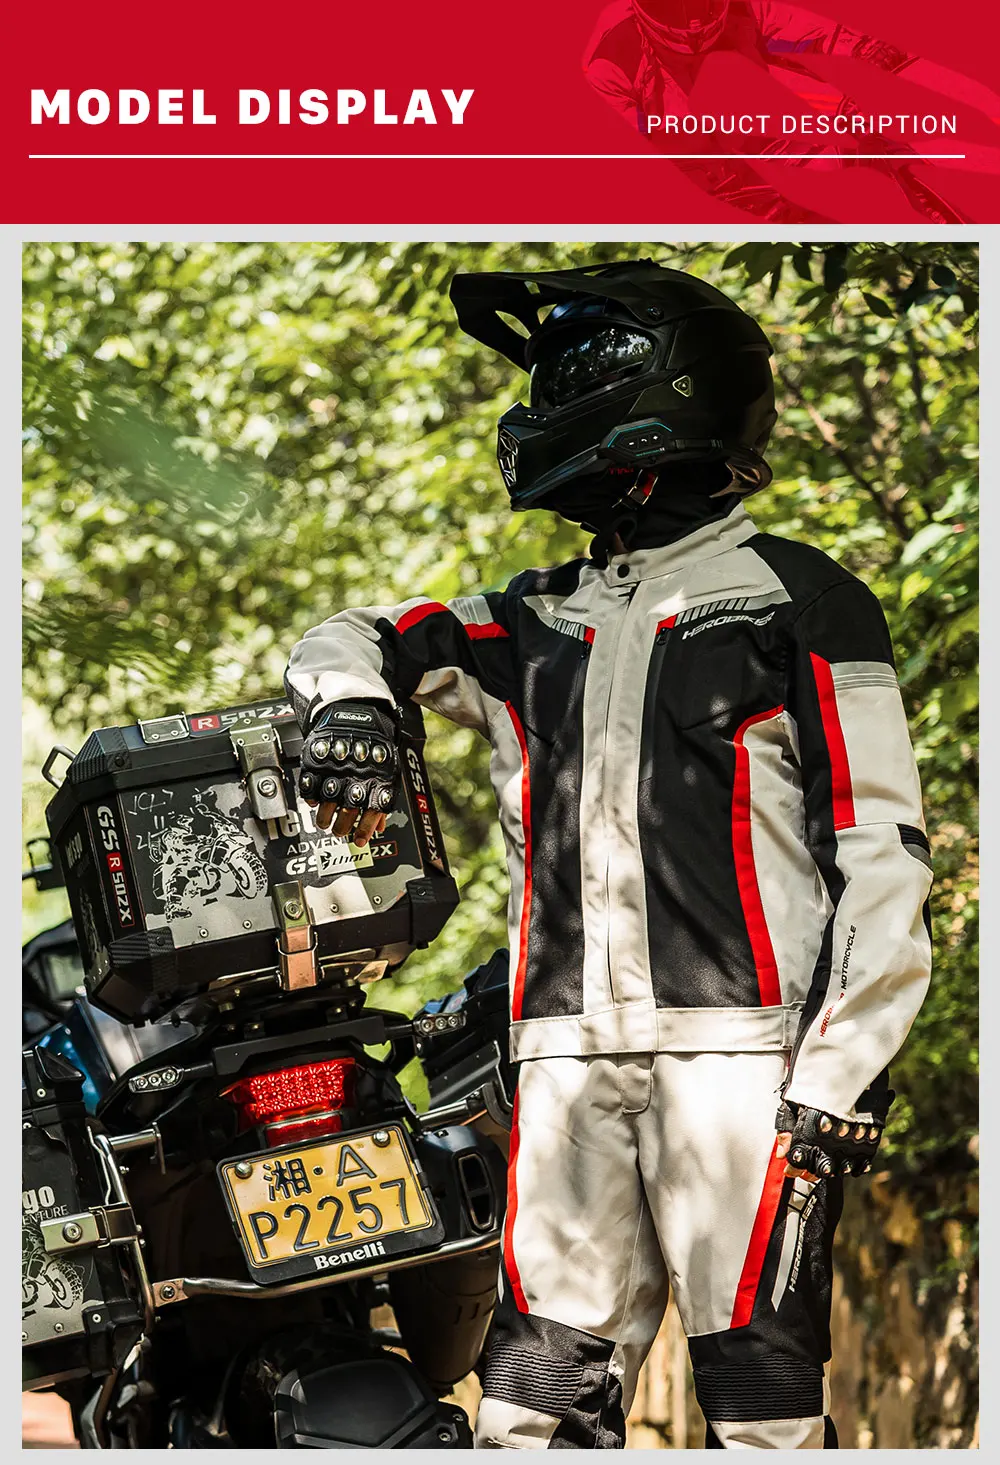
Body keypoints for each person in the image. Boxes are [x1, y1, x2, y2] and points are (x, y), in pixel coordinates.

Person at [284, 260, 933, 1448]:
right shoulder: (526, 621)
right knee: (529, 1405)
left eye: (560, 378)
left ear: (655, 394)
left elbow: (881, 848)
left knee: (761, 1406)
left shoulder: (798, 597)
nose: (535, 407)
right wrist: (349, 708)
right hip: (563, 1064)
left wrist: (841, 1070)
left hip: (746, 1066)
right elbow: (356, 635)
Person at [583, 0, 1000, 224]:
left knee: (860, 136)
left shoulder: (745, 7)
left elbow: (818, 30)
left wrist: (868, 48)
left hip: (761, 116)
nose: (691, 23)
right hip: (696, 155)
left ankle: (899, 171)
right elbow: (641, 168)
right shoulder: (610, 61)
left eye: (700, 5)